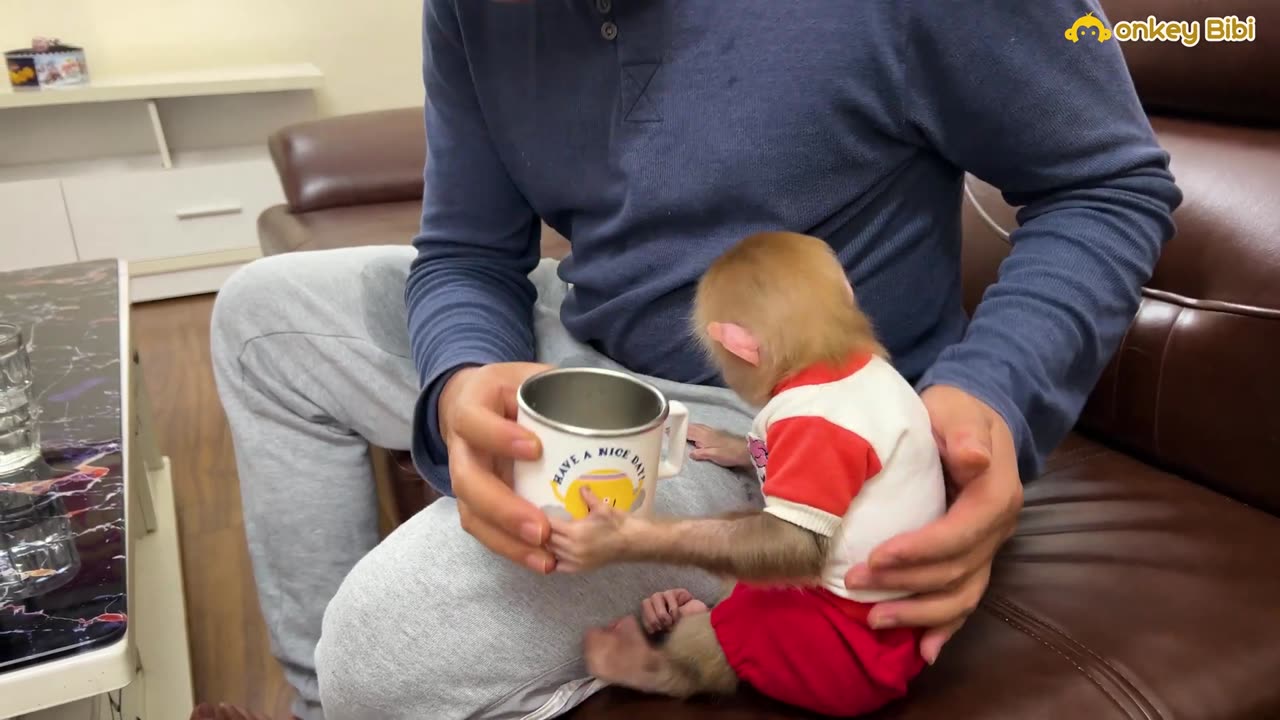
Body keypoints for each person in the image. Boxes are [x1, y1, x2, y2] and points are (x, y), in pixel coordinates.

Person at [204, 1, 1181, 718]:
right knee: (261, 320)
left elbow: (1105, 182)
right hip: (586, 333)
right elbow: (466, 249)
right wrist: (461, 373)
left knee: (380, 649)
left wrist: (990, 394)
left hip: (779, 424)